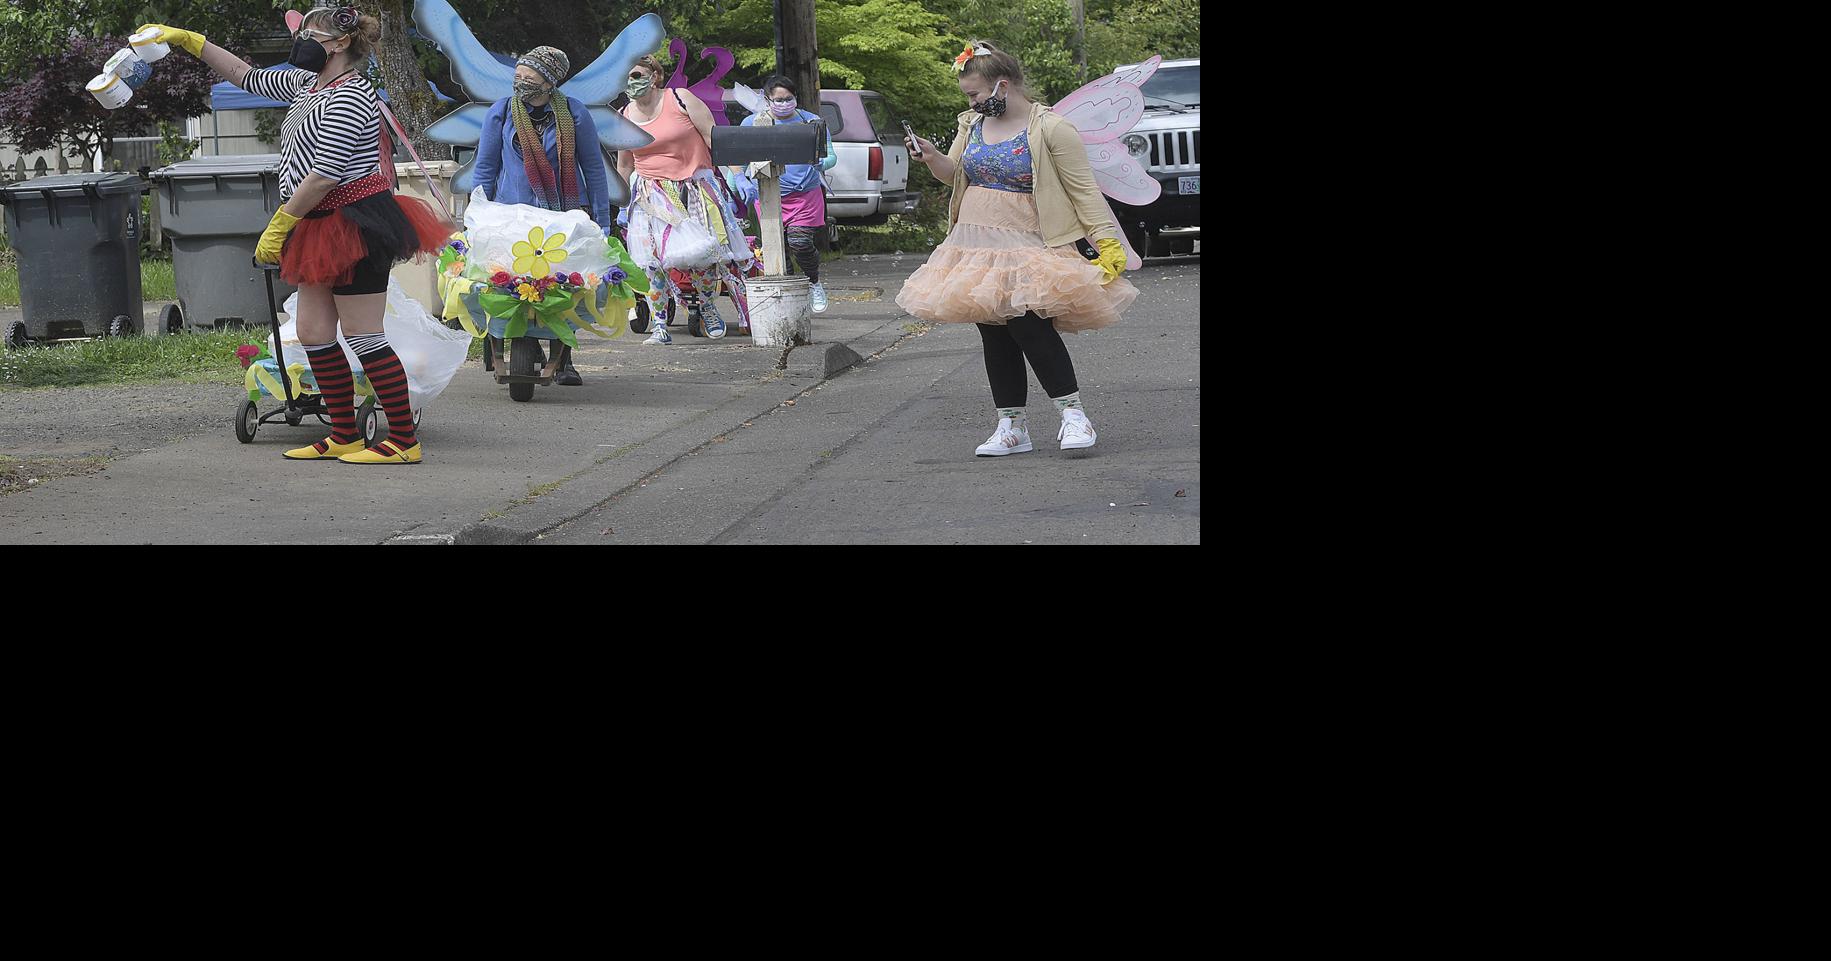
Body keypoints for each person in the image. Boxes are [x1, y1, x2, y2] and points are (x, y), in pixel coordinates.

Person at [139, 8, 449, 464]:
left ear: (340, 43)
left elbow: (325, 174)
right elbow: (246, 75)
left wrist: (281, 223)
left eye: (310, 33)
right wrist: (190, 40)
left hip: (355, 221)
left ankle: (404, 440)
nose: (300, 39)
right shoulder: (306, 85)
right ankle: (344, 433)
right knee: (313, 331)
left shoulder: (352, 96)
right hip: (316, 222)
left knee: (363, 334)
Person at [896, 41, 1134, 457]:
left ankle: (1073, 415)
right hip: (974, 243)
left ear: (1002, 86)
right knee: (993, 332)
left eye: (975, 94)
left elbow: (1084, 191)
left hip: (1028, 240)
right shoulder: (971, 124)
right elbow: (957, 175)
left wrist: (1108, 242)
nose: (971, 102)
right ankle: (1012, 426)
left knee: (1029, 325)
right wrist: (932, 157)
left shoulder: (1052, 128)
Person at [474, 45, 610, 386]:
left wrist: (601, 219)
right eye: (517, 76)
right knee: (515, 282)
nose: (520, 83)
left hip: (563, 214)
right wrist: (477, 210)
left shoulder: (574, 114)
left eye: (529, 78)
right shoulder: (501, 113)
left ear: (549, 82)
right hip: (511, 214)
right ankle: (520, 343)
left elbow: (593, 168)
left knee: (562, 285)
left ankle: (564, 358)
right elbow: (486, 166)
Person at [618, 54, 756, 345]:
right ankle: (659, 326)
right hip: (650, 194)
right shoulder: (624, 114)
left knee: (702, 257)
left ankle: (707, 307)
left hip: (693, 188)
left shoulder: (680, 99)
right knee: (650, 263)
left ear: (654, 76)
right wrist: (620, 200)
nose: (632, 83)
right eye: (627, 78)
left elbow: (712, 138)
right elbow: (625, 164)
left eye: (637, 75)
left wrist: (737, 174)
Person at [738, 76, 837, 312]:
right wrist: (739, 182)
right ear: (766, 99)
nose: (783, 104)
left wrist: (821, 163)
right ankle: (792, 298)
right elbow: (738, 159)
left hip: (805, 195)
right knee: (777, 252)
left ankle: (813, 283)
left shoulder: (811, 122)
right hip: (769, 197)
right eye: (778, 100)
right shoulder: (753, 123)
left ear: (796, 98)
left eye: (788, 99)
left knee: (800, 242)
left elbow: (831, 155)